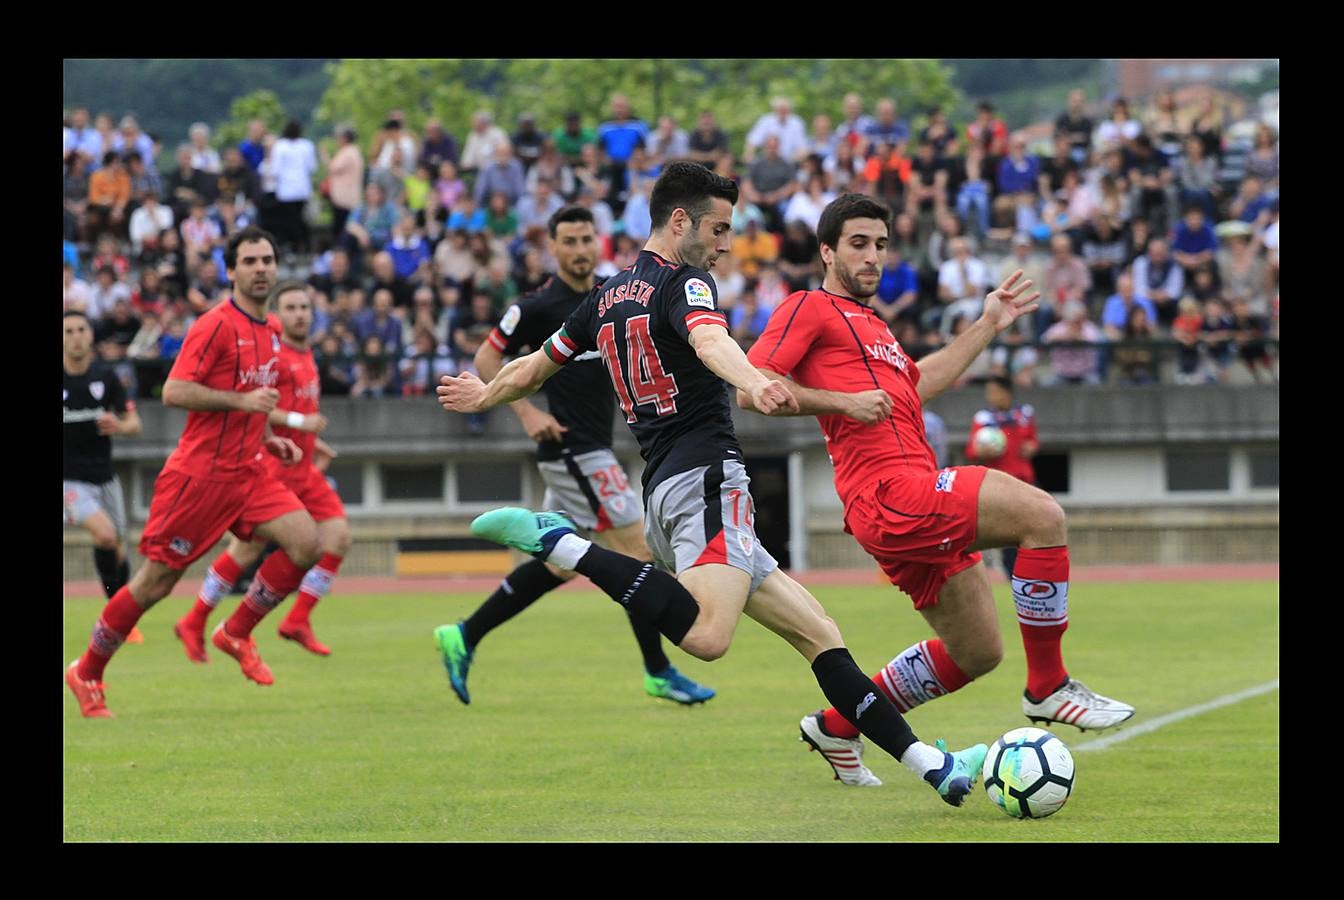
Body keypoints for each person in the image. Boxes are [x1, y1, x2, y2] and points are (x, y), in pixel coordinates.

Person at [437, 162, 988, 805]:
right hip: (706, 480)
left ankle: (932, 766)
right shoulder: (686, 282)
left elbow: (533, 367)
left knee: (820, 634)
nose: (726, 244)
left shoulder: (605, 297)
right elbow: (710, 341)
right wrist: (753, 379)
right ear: (680, 222)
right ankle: (564, 544)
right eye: (719, 229)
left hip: (668, 488)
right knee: (707, 638)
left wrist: (483, 396)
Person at [741, 194, 1133, 785]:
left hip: (910, 496)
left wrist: (987, 325)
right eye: (857, 244)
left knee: (977, 653)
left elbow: (918, 384)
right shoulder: (808, 307)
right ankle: (1048, 686)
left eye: (880, 244)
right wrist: (843, 403)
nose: (872, 256)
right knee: (1041, 515)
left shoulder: (874, 326)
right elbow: (753, 386)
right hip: (889, 494)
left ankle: (836, 727)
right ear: (826, 251)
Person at [434, 205, 716, 707]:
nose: (581, 249)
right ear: (554, 247)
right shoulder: (537, 305)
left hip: (594, 447)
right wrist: (527, 414)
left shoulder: (613, 292)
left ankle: (464, 634)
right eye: (570, 241)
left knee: (559, 564)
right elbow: (486, 358)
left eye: (588, 239)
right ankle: (658, 669)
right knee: (638, 554)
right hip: (574, 449)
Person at [65, 226, 322, 718]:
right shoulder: (214, 325)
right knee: (154, 585)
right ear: (231, 271)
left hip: (248, 473)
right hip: (199, 478)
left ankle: (236, 631)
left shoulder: (270, 332)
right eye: (249, 261)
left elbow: (253, 402)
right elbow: (175, 390)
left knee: (308, 543)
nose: (261, 268)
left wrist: (269, 435)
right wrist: (242, 402)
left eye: (267, 259)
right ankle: (88, 670)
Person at [174, 282, 349, 661]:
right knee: (247, 549)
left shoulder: (307, 353)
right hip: (273, 467)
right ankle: (197, 618)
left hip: (303, 467)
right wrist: (302, 423)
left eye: (305, 306)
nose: (300, 313)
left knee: (337, 536)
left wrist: (310, 441)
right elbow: (260, 407)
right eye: (291, 307)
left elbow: (293, 406)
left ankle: (297, 619)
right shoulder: (276, 355)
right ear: (278, 314)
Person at [63, 310, 145, 643]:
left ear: (90, 335)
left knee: (120, 551)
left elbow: (135, 423)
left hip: (106, 479)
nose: (75, 336)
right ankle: (116, 616)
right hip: (69, 481)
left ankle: (119, 618)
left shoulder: (107, 378)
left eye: (81, 329)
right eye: (68, 331)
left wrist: (120, 426)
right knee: (106, 536)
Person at [965, 376, 1039, 577]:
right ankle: (1009, 571)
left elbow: (1033, 440)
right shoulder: (983, 418)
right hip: (996, 483)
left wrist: (1031, 447)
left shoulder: (1024, 414)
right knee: (1007, 529)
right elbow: (972, 450)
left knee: (1029, 526)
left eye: (993, 391)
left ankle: (1028, 570)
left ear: (1006, 392)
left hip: (1023, 480)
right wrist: (982, 451)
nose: (990, 396)